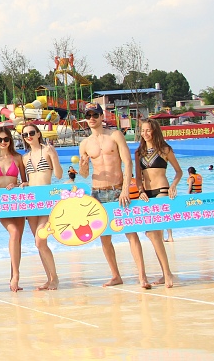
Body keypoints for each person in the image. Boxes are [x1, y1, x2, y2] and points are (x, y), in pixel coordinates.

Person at [79, 103, 151, 289]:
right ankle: (115, 275)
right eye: (88, 115)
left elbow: (127, 162)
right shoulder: (84, 144)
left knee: (131, 233)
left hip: (118, 188)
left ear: (101, 116)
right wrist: (83, 165)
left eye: (95, 114)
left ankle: (142, 276)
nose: (92, 118)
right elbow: (84, 175)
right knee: (105, 237)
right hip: (97, 192)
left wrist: (126, 189)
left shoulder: (115, 135)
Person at [135, 118, 181, 288]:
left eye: (148, 130)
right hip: (146, 195)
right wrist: (140, 191)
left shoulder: (165, 149)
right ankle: (166, 273)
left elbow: (178, 171)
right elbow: (138, 177)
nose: (145, 133)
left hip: (162, 191)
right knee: (155, 236)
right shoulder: (139, 152)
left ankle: (167, 274)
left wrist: (173, 186)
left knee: (153, 233)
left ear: (154, 131)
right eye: (142, 130)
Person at [20, 123, 63, 290]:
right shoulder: (25, 157)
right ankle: (49, 278)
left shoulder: (48, 150)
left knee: (40, 241)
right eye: (25, 135)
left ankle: (55, 278)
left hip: (46, 201)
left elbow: (59, 175)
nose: (29, 136)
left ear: (38, 134)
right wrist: (24, 184)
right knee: (39, 243)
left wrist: (54, 157)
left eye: (31, 133)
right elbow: (30, 179)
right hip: (32, 202)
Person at [0, 128, 28, 292]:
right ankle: (16, 276)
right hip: (1, 203)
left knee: (18, 239)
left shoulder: (18, 158)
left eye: (6, 139)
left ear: (10, 140)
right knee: (14, 233)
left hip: (17, 201)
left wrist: (17, 184)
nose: (3, 142)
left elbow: (25, 181)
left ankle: (14, 277)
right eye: (0, 140)